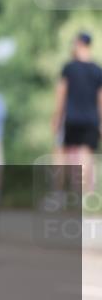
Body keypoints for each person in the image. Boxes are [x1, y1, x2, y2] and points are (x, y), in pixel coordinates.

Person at [51, 31, 102, 194]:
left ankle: (60, 192)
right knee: (86, 156)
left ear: (78, 43)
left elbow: (61, 95)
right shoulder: (97, 70)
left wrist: (57, 118)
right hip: (91, 120)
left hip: (71, 118)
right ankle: (85, 194)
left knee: (61, 154)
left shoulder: (69, 68)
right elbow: (100, 99)